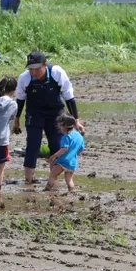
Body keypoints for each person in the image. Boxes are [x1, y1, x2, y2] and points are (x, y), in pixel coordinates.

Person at [13, 51, 84, 184]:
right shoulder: (24, 78)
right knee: (32, 146)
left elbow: (69, 97)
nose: (33, 73)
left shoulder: (57, 73)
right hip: (34, 113)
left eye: (37, 69)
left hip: (55, 114)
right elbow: (20, 100)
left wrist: (76, 121)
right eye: (30, 69)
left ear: (45, 65)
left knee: (57, 145)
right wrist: (16, 120)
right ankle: (28, 180)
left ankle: (53, 180)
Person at [46, 115, 85, 192]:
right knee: (69, 180)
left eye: (60, 125)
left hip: (62, 161)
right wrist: (74, 154)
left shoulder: (66, 137)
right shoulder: (79, 136)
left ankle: (46, 190)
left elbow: (64, 149)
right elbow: (81, 149)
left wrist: (54, 156)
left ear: (65, 126)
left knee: (53, 176)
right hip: (72, 162)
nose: (59, 127)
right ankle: (71, 192)